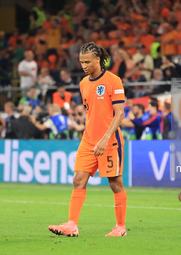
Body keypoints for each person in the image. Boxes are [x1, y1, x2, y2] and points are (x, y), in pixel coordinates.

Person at [48, 42, 127, 237]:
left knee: (115, 183)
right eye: (81, 62)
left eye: (87, 61)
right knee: (78, 180)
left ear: (98, 59)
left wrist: (105, 137)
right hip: (88, 140)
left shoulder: (113, 80)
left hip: (110, 141)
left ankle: (120, 227)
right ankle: (72, 225)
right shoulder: (83, 83)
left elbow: (119, 114)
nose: (84, 65)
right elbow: (91, 112)